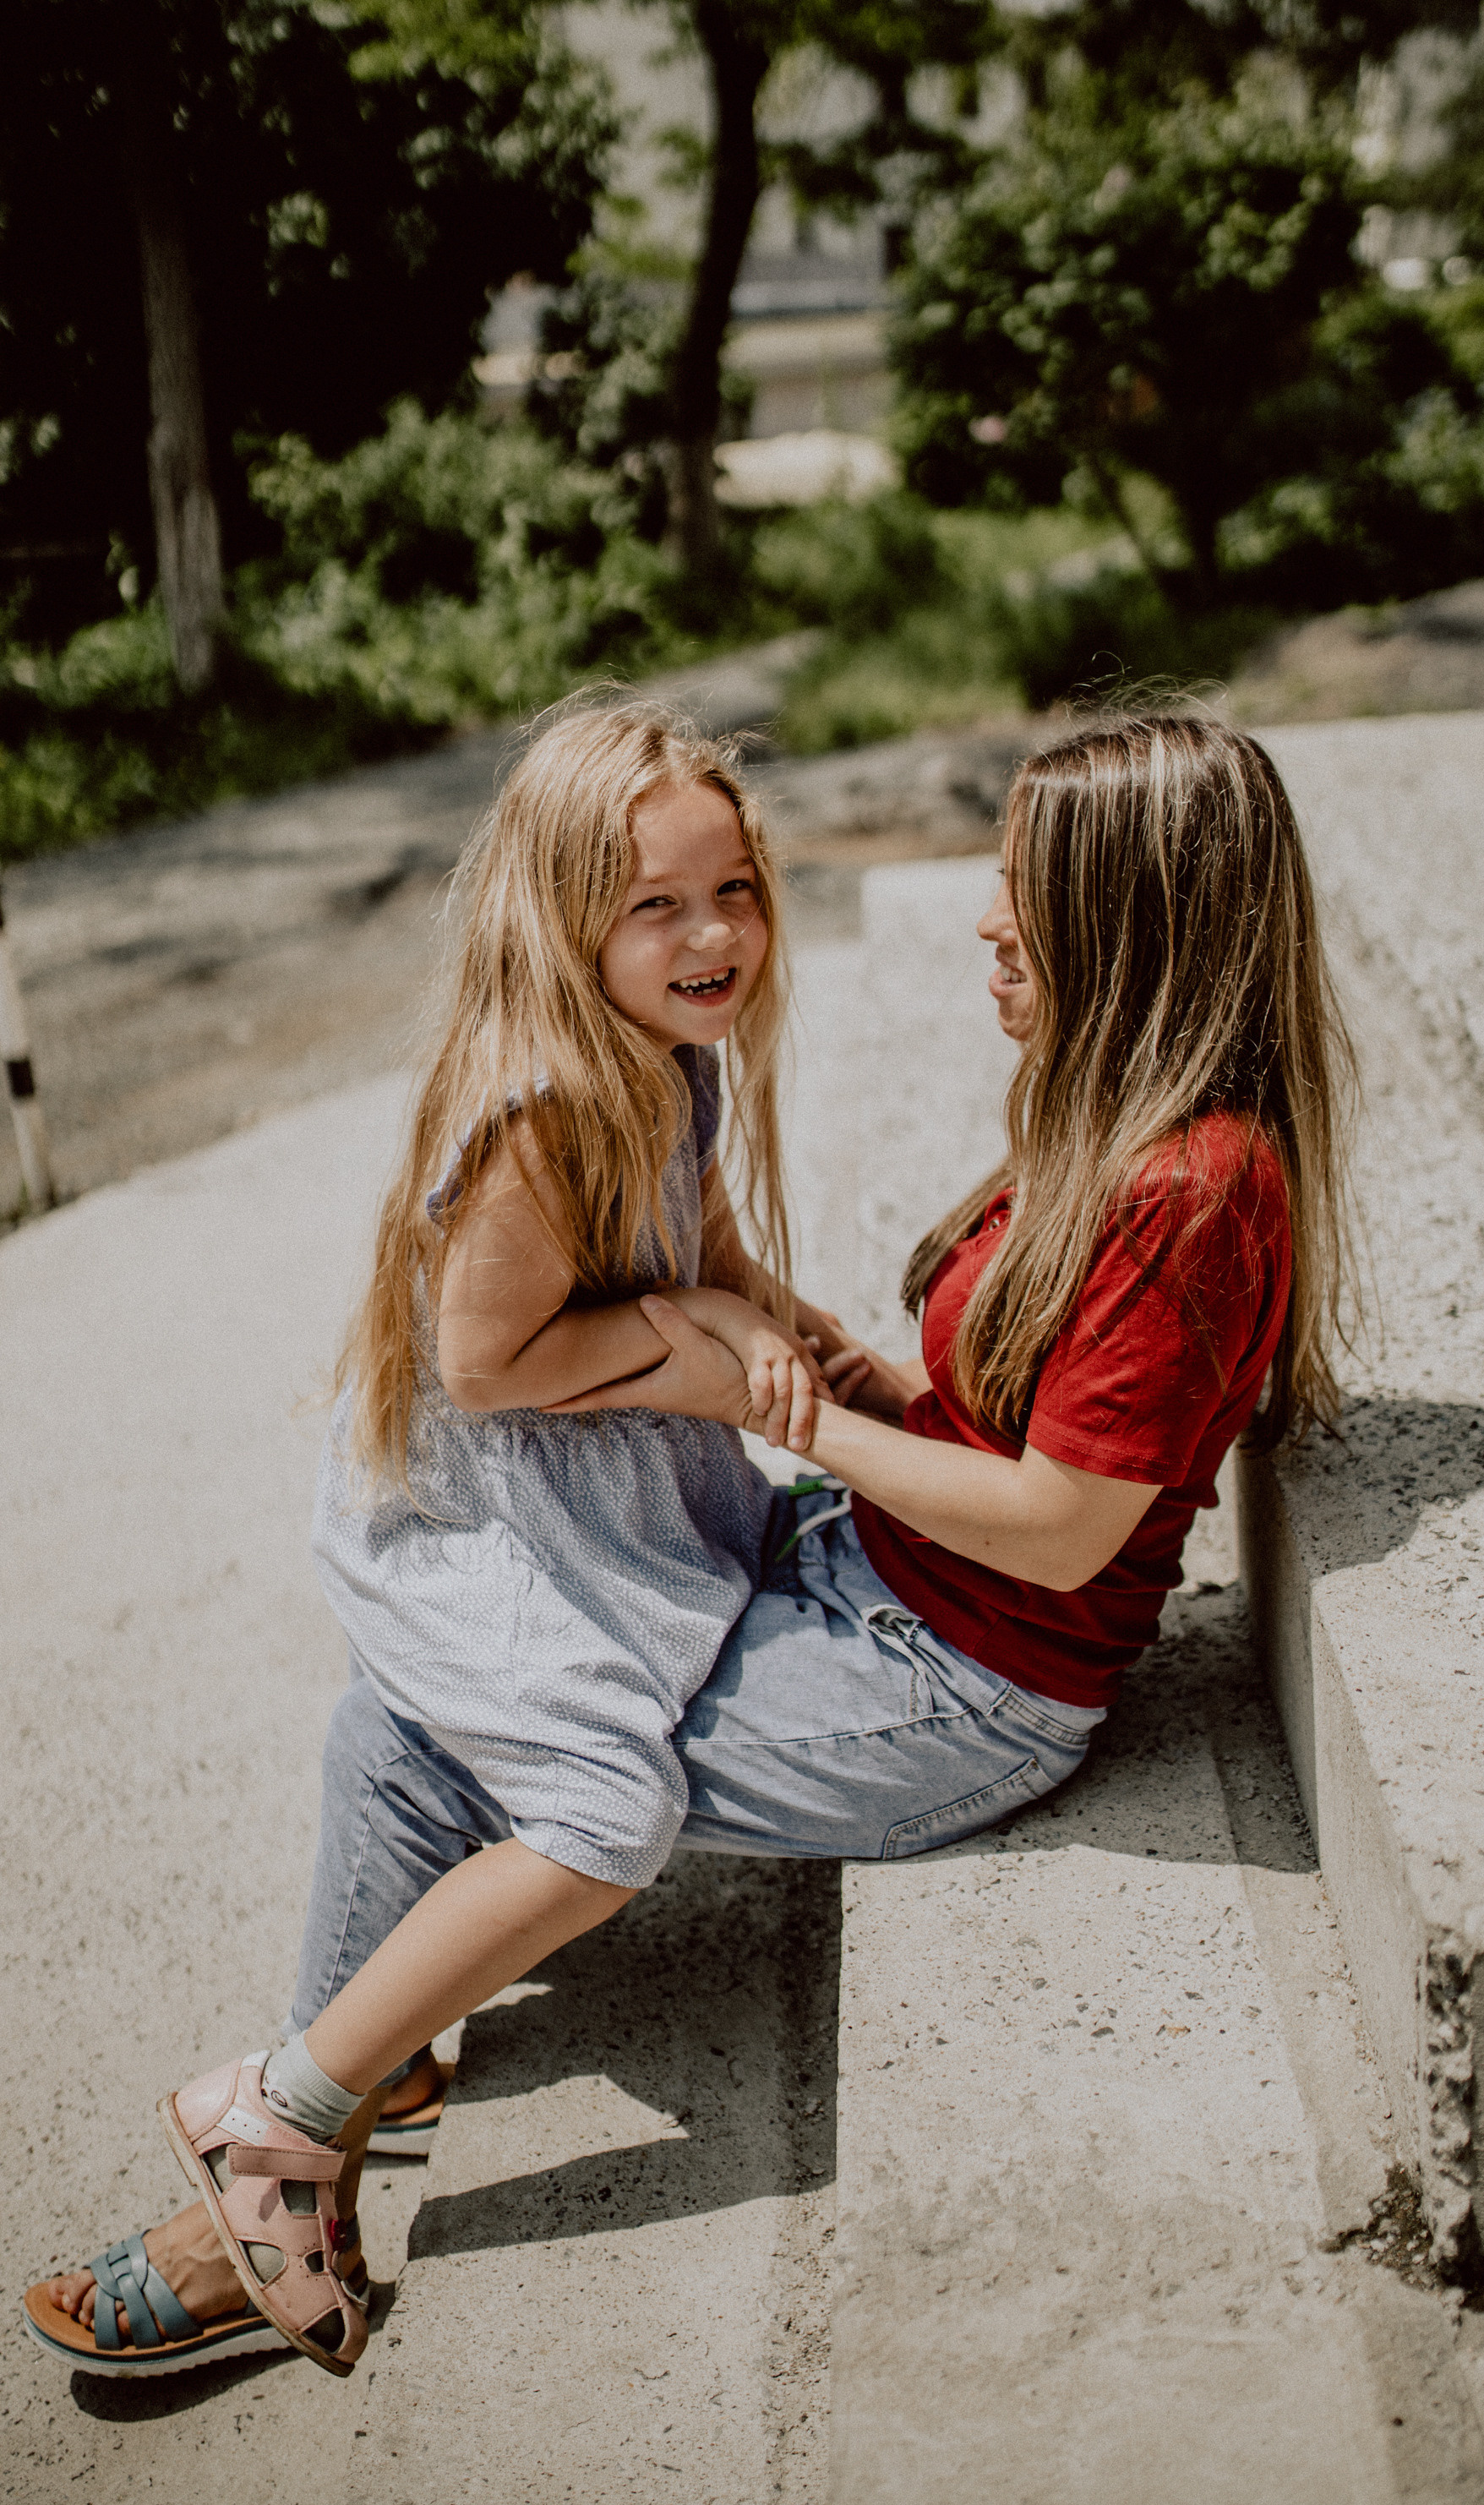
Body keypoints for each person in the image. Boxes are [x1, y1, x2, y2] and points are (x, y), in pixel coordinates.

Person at [25, 712, 1354, 2388]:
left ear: (1142, 923)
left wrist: (774, 1401)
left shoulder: (1199, 1187)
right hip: (872, 1572)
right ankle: (351, 2079)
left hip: (957, 1679)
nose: (983, 919)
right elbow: (938, 1392)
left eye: (1026, 893)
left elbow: (1064, 1524)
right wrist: (845, 1380)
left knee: (457, 1727)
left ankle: (287, 2135)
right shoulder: (1118, 1120)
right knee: (407, 1704)